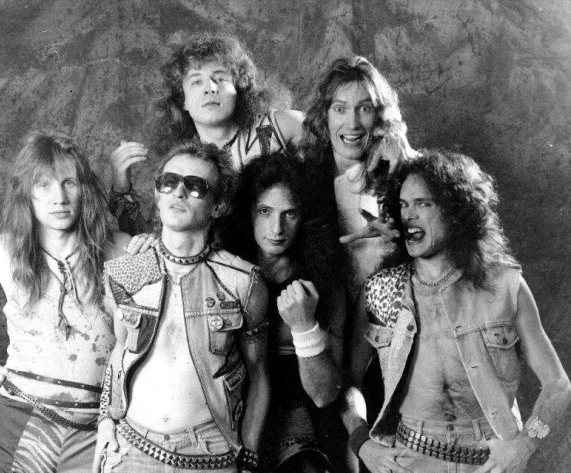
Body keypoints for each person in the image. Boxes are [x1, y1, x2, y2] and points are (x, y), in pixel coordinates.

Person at [340, 150, 571, 473]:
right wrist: (361, 442)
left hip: (491, 462)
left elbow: (558, 385)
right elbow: (345, 384)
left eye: (423, 204)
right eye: (403, 204)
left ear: (456, 211)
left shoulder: (505, 285)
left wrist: (526, 445)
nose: (409, 215)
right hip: (410, 461)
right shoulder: (381, 290)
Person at [93, 141, 270, 473]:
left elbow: (259, 374)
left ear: (218, 206)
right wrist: (105, 421)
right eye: (169, 182)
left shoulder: (243, 283)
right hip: (131, 447)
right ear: (157, 194)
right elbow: (119, 352)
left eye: (196, 186)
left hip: (210, 452)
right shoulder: (126, 271)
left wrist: (248, 457)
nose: (179, 192)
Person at [0, 131, 130, 473]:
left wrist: (123, 190)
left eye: (69, 182)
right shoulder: (4, 251)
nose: (59, 197)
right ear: (26, 193)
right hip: (17, 423)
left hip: (97, 430)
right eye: (43, 185)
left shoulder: (122, 249)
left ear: (85, 188)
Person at [109, 32, 304, 235]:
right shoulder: (183, 164)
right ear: (182, 100)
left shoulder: (282, 127)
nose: (210, 88)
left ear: (239, 88)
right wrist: (121, 189)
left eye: (220, 78)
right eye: (196, 82)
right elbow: (152, 239)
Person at [232, 151, 346, 472]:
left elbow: (326, 394)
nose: (277, 228)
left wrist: (304, 328)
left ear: (305, 217)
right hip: (232, 408)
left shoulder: (325, 281)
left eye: (290, 214)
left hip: (301, 411)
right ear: (248, 211)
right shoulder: (225, 267)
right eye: (265, 211)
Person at [300, 55, 415, 304]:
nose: (352, 124)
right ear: (324, 115)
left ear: (380, 115)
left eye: (364, 109)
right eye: (340, 109)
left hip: (386, 309)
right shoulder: (304, 173)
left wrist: (400, 241)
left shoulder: (400, 168)